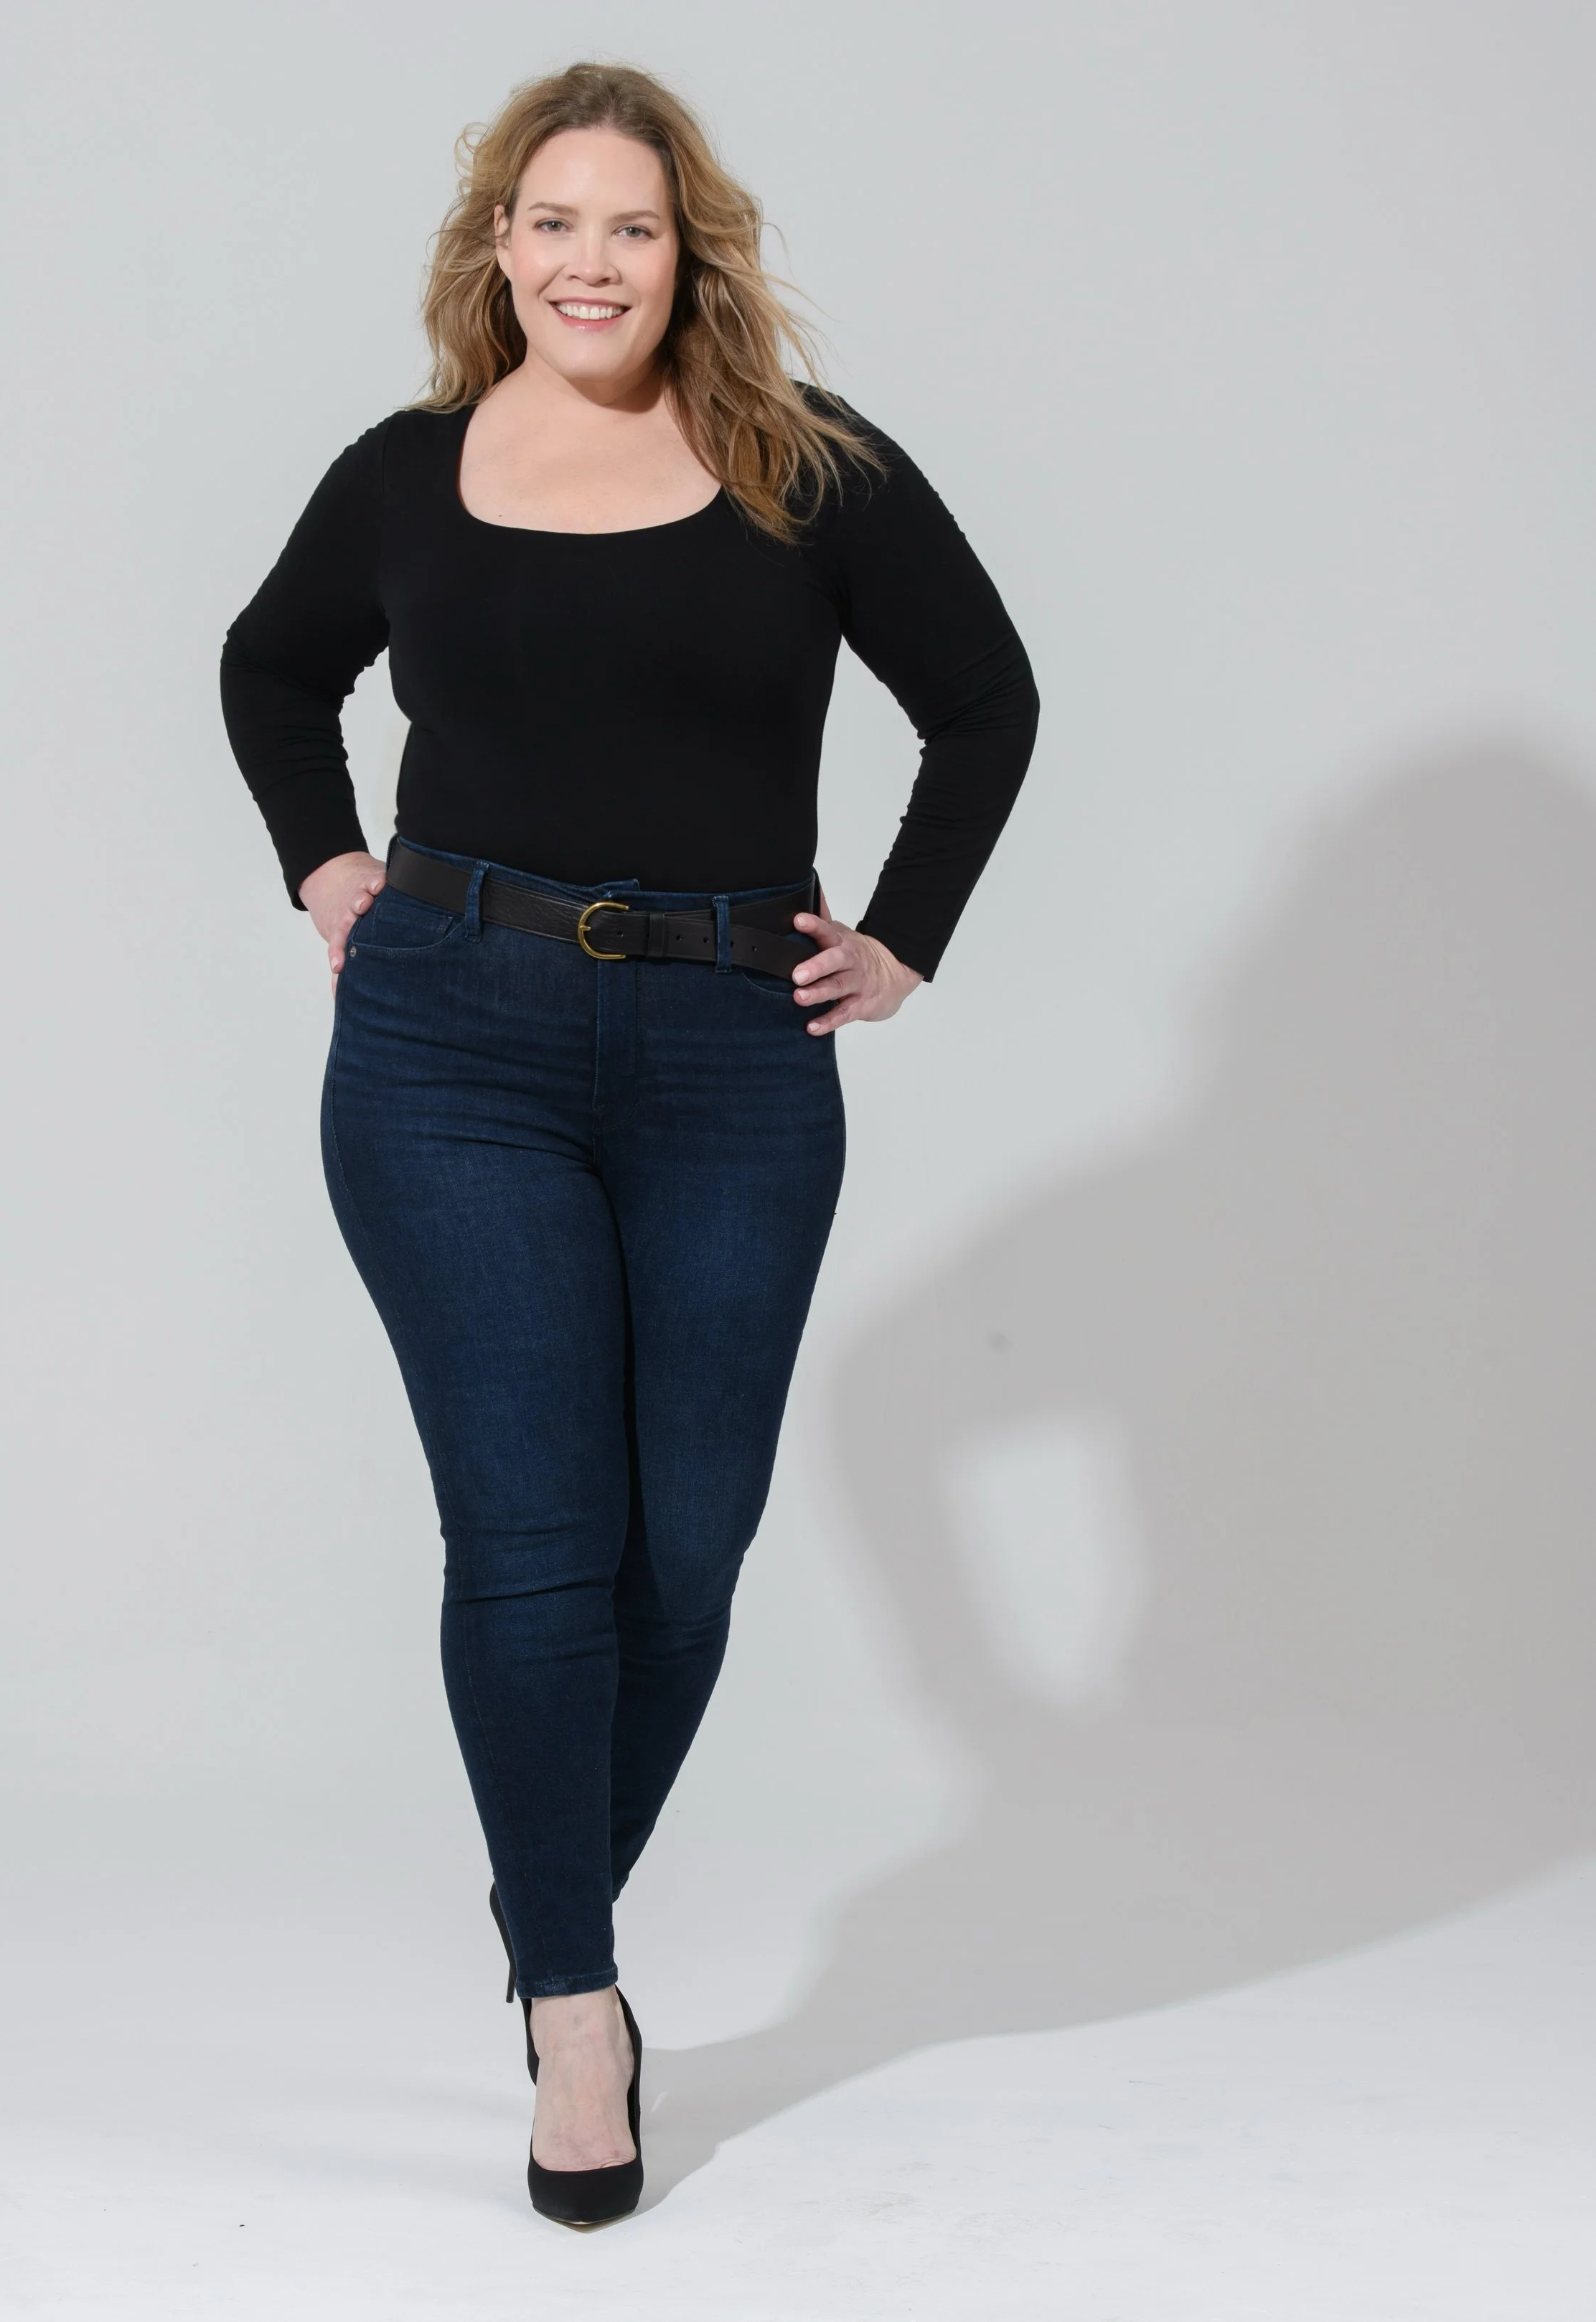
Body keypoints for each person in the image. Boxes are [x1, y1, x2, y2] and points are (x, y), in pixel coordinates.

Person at [219, 59, 1038, 2227]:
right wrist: (325, 870)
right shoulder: (405, 474)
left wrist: (905, 942)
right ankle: (572, 2007)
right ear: (496, 245)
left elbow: (988, 697)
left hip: (725, 1049)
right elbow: (266, 668)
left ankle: (538, 1920)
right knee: (534, 1539)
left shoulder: (806, 475)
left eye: (634, 228)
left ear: (693, 256)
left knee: (690, 1542)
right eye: (554, 220)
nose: (592, 260)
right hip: (449, 1044)